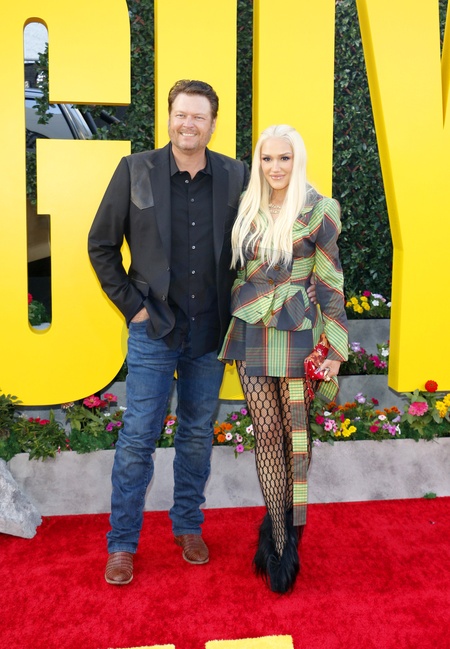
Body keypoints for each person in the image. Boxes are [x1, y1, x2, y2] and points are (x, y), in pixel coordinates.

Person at [88, 79, 251, 585]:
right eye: (181, 114)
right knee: (139, 436)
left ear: (213, 124)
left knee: (197, 434)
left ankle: (187, 526)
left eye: (199, 116)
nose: (188, 124)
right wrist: (133, 308)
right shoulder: (135, 170)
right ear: (169, 117)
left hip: (209, 333)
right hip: (154, 329)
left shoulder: (236, 175)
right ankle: (122, 543)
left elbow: (254, 243)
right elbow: (100, 245)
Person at [218, 124, 348, 594]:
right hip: (252, 325)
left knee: (296, 435)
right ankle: (278, 536)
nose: (275, 167)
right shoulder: (246, 204)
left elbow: (330, 282)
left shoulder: (318, 209)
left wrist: (335, 349)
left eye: (284, 158)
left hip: (297, 328)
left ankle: (288, 529)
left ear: (298, 160)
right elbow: (234, 268)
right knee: (267, 431)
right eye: (267, 158)